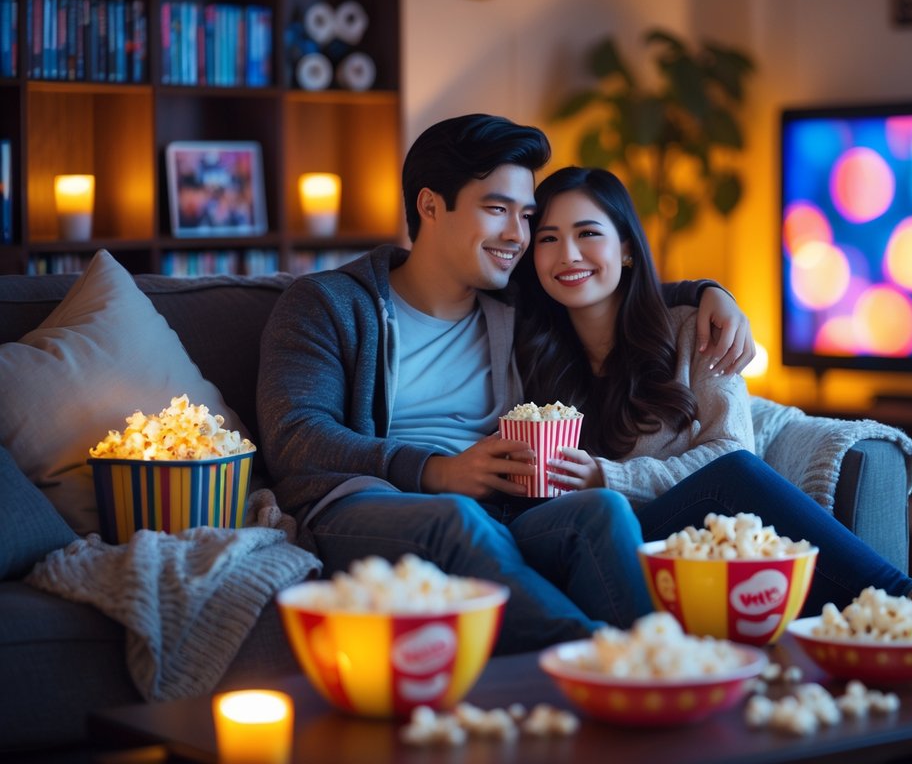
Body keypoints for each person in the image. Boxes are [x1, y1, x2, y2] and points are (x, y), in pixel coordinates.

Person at [257, 114, 755, 654]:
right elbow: (296, 436)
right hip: (369, 505)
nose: (518, 237)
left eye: (526, 216)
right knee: (458, 519)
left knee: (602, 510)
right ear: (429, 206)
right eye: (497, 210)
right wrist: (436, 471)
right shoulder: (327, 304)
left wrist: (710, 291)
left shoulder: (514, 302)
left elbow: (603, 274)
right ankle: (626, 664)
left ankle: (645, 676)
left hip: (503, 510)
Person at [513, 166, 912, 617]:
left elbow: (732, 453)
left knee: (735, 472)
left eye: (588, 234)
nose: (568, 254)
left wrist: (611, 477)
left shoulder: (698, 329)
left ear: (626, 246)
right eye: (549, 239)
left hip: (684, 535)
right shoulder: (529, 348)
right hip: (591, 542)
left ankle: (896, 595)